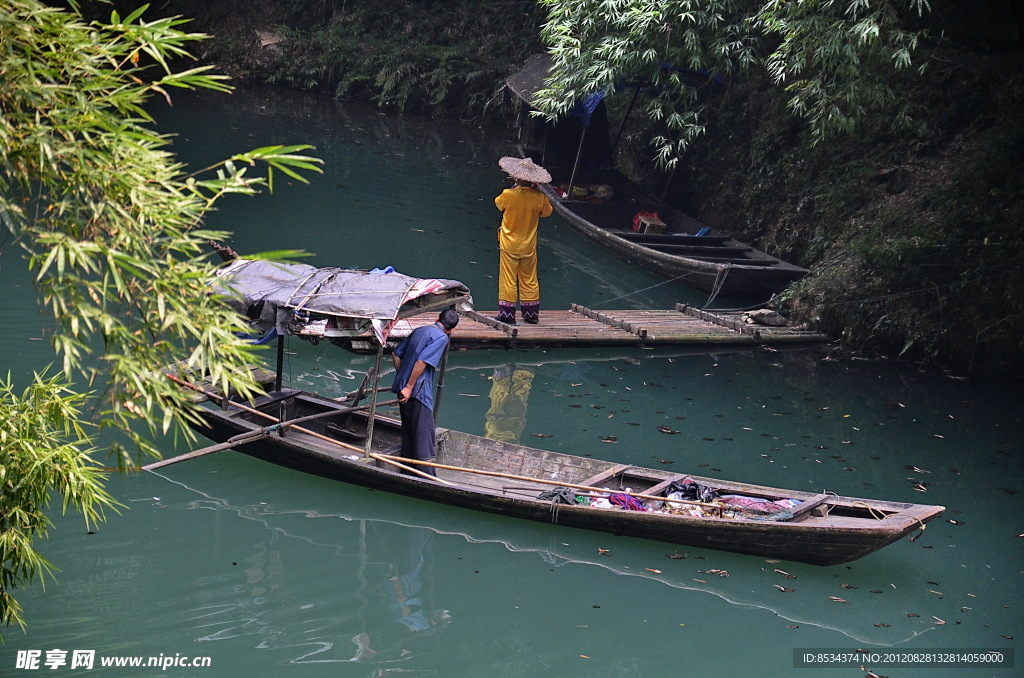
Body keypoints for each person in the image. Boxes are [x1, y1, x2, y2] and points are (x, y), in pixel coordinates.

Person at [390, 309, 459, 476]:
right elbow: (422, 361)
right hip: (418, 392)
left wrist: (403, 381)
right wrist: (409, 386)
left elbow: (396, 354)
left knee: (409, 434)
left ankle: (407, 473)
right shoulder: (441, 338)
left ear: (437, 318)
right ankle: (427, 478)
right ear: (451, 330)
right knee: (424, 437)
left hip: (404, 391)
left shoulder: (420, 330)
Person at [494, 156, 553, 325]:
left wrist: (514, 188)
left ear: (516, 177)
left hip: (509, 244)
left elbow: (499, 204)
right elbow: (547, 212)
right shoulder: (539, 198)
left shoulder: (508, 194)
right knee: (529, 279)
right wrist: (537, 192)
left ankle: (507, 315)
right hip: (528, 246)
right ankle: (531, 315)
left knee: (508, 279)